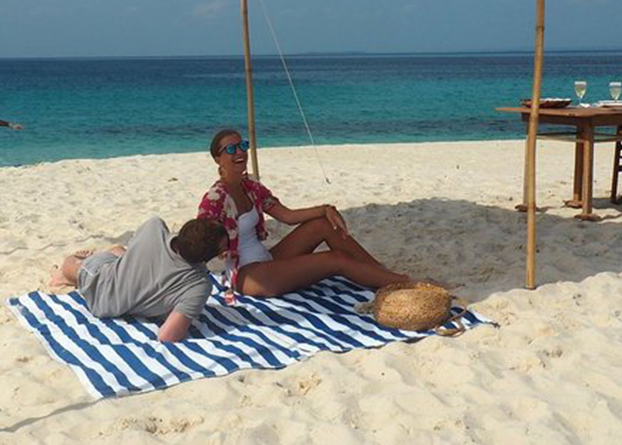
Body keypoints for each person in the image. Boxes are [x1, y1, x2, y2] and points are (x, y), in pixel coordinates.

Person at [198, 128, 409, 303]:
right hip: (247, 275)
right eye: (231, 149)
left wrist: (324, 209)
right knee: (335, 259)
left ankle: (380, 273)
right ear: (218, 159)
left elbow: (287, 216)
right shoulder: (215, 199)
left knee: (323, 225)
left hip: (266, 259)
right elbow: (199, 240)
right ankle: (406, 283)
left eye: (243, 145)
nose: (240, 153)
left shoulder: (251, 187)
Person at [51, 216, 228, 342]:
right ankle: (67, 273)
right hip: (107, 292)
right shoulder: (199, 286)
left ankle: (70, 272)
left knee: (76, 264)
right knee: (76, 262)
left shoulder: (154, 227)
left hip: (100, 282)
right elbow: (167, 336)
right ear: (208, 257)